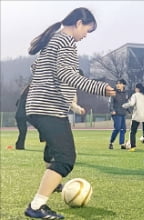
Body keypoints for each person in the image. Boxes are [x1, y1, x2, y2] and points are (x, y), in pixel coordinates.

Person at [24, 7, 115, 219]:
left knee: (57, 151)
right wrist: (99, 88)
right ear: (79, 23)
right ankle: (36, 207)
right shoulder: (66, 41)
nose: (85, 36)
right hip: (48, 108)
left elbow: (35, 67)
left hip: (40, 107)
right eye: (87, 31)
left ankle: (51, 184)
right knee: (66, 158)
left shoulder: (52, 40)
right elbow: (65, 73)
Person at [122, 83, 144, 152]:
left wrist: (124, 105)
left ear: (137, 89)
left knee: (133, 132)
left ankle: (133, 147)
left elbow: (131, 103)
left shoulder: (135, 95)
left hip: (137, 115)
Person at [108, 79, 129, 150]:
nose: (118, 85)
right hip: (116, 113)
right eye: (117, 83)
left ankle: (122, 144)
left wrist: (129, 111)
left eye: (119, 83)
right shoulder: (113, 93)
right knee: (117, 128)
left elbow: (126, 103)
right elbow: (110, 103)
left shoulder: (126, 93)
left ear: (124, 85)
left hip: (123, 113)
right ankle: (111, 142)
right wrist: (112, 110)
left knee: (123, 129)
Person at [15, 84, 30, 150]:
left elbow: (16, 104)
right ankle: (19, 145)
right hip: (22, 116)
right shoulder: (26, 98)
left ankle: (19, 145)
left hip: (18, 116)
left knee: (22, 131)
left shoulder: (21, 97)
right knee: (23, 131)